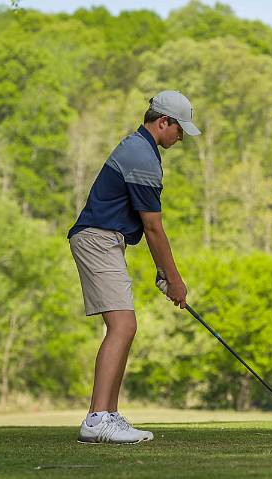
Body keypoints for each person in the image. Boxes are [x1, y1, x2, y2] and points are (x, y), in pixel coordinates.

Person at [67, 91, 200, 444]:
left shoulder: (141, 149)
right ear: (163, 122)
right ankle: (97, 420)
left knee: (124, 326)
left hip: (106, 239)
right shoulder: (142, 156)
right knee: (123, 326)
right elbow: (154, 227)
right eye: (179, 129)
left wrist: (163, 273)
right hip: (98, 239)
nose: (181, 137)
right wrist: (175, 281)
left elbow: (142, 226)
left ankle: (107, 415)